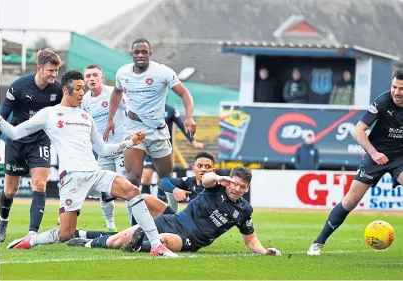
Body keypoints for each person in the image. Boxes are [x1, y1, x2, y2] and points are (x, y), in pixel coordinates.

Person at [0, 70, 177, 257]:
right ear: (66, 91)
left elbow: (103, 150)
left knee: (133, 191)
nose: (82, 92)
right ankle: (31, 240)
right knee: (65, 233)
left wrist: (131, 142)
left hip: (94, 172)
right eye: (77, 88)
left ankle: (156, 245)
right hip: (72, 178)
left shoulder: (85, 117)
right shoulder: (49, 114)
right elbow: (15, 133)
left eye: (83, 88)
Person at [67, 167, 282, 257]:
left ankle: (138, 245)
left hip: (190, 239)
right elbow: (206, 179)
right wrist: (217, 178)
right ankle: (85, 241)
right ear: (229, 180)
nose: (236, 189)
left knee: (164, 241)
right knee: (115, 240)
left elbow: (250, 240)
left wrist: (264, 251)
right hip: (173, 219)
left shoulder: (244, 210)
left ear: (247, 188)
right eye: (235, 184)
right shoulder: (215, 185)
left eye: (242, 187)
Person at [307, 69, 403, 256]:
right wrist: (374, 153)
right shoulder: (382, 102)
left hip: (400, 157)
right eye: (394, 87)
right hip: (376, 155)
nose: (396, 92)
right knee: (351, 200)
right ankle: (318, 243)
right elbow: (358, 131)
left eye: (401, 89)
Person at [103, 38, 197, 213]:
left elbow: (185, 93)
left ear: (149, 54)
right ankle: (135, 222)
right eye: (137, 52)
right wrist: (110, 119)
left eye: (144, 52)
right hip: (133, 128)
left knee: (166, 178)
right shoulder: (122, 73)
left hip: (158, 130)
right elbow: (116, 93)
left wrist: (189, 117)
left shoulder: (162, 72)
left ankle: (173, 218)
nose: (140, 55)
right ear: (132, 54)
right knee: (133, 177)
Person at [0, 49, 63, 243]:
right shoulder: (18, 87)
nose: (54, 74)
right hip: (16, 141)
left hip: (40, 141)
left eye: (56, 71)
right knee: (10, 191)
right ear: (39, 69)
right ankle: (3, 221)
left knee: (40, 185)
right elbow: (2, 116)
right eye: (51, 70)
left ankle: (32, 233)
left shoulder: (57, 90)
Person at [81, 64, 127, 231]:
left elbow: (129, 110)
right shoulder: (85, 101)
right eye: (88, 76)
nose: (92, 78)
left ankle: (135, 225)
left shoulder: (113, 93)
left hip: (122, 148)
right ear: (85, 80)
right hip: (103, 152)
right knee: (104, 190)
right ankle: (110, 226)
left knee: (126, 186)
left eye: (95, 75)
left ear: (102, 77)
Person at [141, 103, 203, 204]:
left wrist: (193, 141)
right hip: (149, 147)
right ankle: (145, 202)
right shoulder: (146, 108)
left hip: (165, 149)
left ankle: (162, 202)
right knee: (146, 175)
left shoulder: (170, 110)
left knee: (162, 177)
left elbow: (183, 127)